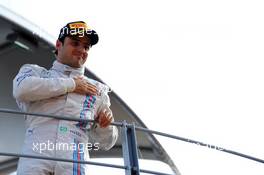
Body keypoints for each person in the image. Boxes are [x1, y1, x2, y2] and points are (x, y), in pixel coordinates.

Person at [13, 21, 118, 175]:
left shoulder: (98, 90)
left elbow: (107, 142)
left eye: (86, 47)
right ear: (58, 44)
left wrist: (106, 125)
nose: (81, 50)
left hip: (75, 163)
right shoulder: (35, 73)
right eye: (75, 43)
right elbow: (21, 91)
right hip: (35, 156)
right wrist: (71, 85)